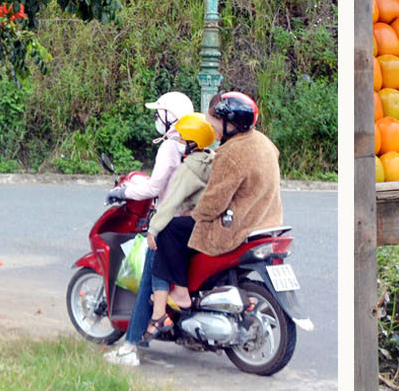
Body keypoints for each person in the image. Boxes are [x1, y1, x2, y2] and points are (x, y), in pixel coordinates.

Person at [107, 110, 217, 367]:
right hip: (202, 226)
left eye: (182, 139)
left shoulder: (185, 164)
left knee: (151, 274)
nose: (179, 141)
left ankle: (135, 341)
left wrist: (152, 229)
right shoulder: (210, 159)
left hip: (175, 225)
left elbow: (167, 199)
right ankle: (183, 329)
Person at [180, 90, 282, 306]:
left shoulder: (230, 153)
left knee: (169, 232)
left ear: (230, 123)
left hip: (235, 227)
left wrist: (192, 213)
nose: (211, 127)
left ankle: (178, 294)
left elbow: (213, 203)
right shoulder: (264, 142)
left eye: (214, 122)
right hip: (267, 222)